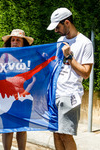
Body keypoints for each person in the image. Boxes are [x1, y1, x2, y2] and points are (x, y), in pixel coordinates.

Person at [47, 8, 94, 150]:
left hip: (71, 94)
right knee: (56, 133)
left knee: (66, 134)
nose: (56, 30)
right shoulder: (60, 40)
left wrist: (69, 57)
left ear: (67, 22)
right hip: (56, 93)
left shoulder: (85, 43)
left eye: (58, 26)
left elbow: (86, 73)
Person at [1, 29, 34, 150]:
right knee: (7, 129)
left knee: (22, 129)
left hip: (24, 99)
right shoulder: (4, 56)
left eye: (18, 40)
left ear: (23, 43)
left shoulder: (30, 58)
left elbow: (35, 77)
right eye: (12, 40)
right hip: (7, 98)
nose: (14, 42)